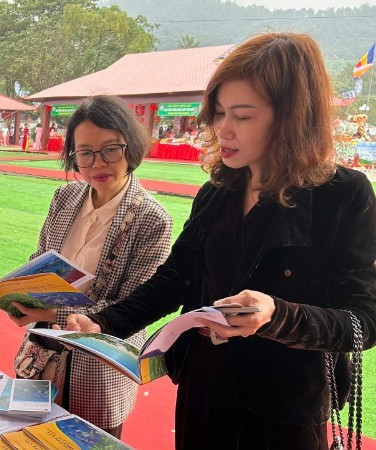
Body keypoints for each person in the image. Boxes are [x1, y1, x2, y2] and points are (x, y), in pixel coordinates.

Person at [60, 33, 376, 449]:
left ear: (291, 117)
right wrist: (104, 323)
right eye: (220, 112)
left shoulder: (343, 194)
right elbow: (174, 279)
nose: (222, 129)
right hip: (202, 389)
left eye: (242, 116)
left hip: (284, 408)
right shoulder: (218, 192)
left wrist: (276, 314)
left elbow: (363, 321)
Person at [9, 96, 172, 438]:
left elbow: (132, 306)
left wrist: (50, 312)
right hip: (41, 354)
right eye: (85, 153)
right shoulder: (65, 197)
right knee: (29, 439)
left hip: (98, 369)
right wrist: (18, 294)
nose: (98, 163)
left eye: (110, 149)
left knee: (87, 442)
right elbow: (41, 260)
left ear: (131, 147)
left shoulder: (152, 219)